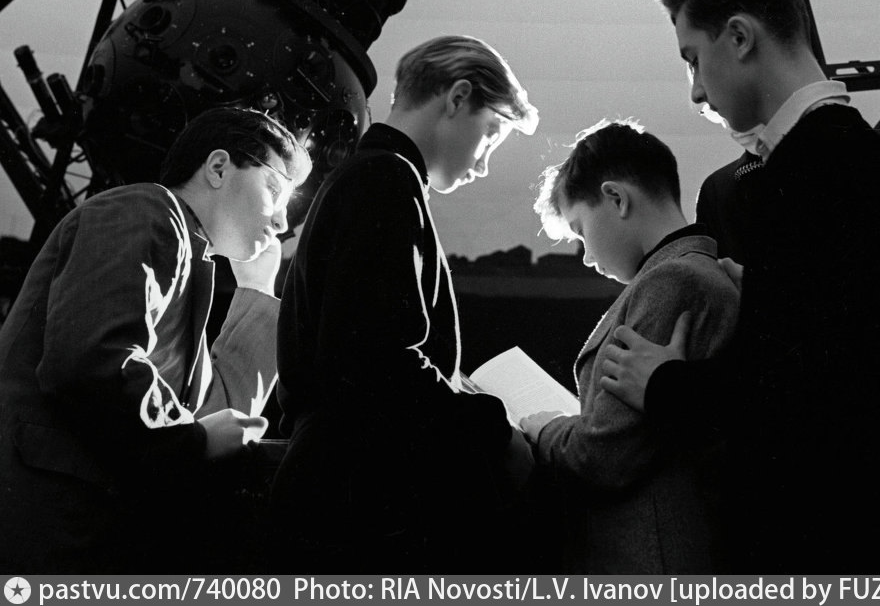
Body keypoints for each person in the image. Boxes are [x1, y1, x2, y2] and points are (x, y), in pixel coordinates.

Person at [600, 0, 880, 568]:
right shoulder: (840, 156)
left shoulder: (818, 168)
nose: (696, 91)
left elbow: (814, 397)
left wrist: (668, 385)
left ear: (739, 37)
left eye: (693, 59)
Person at [0, 105, 310, 573]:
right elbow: (91, 363)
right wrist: (193, 440)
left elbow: (215, 419)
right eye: (275, 189)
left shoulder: (188, 260)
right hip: (48, 531)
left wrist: (258, 292)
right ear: (218, 168)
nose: (283, 222)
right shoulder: (145, 208)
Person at [272, 34, 539, 569]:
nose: (484, 164)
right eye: (491, 134)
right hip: (360, 506)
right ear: (457, 97)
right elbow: (376, 361)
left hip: (337, 491)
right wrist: (498, 433)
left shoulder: (371, 178)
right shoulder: (384, 180)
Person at [521, 119, 739, 572]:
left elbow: (602, 456)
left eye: (581, 231)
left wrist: (546, 428)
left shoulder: (673, 281)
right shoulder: (685, 274)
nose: (586, 256)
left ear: (616, 199)